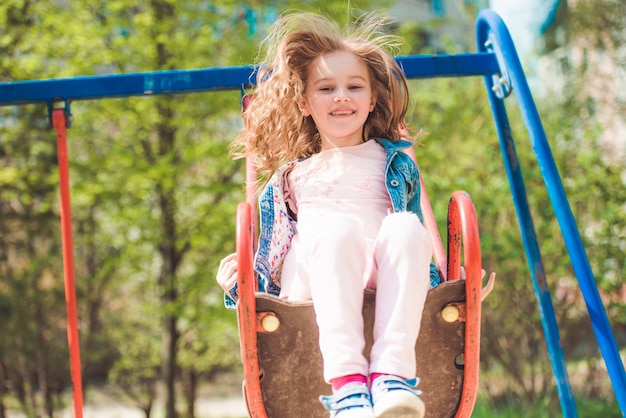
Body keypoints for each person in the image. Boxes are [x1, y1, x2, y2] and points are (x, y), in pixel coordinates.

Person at [217, 12, 439, 418]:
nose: (341, 96)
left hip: (377, 268)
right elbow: (275, 251)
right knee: (337, 231)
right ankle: (348, 386)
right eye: (326, 88)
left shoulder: (395, 163)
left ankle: (390, 376)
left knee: (406, 227)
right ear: (304, 102)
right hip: (316, 275)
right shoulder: (291, 177)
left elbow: (413, 245)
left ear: (372, 99)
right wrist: (240, 285)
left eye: (354, 86)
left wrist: (455, 287)